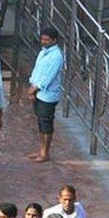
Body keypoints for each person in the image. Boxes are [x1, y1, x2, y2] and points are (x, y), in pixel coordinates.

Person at [27, 26, 65, 163]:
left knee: (46, 123)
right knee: (40, 122)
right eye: (42, 39)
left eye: (46, 40)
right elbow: (37, 70)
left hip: (47, 95)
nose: (43, 42)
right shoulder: (43, 52)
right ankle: (41, 149)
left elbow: (48, 76)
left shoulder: (56, 56)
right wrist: (32, 85)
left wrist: (35, 88)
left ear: (54, 40)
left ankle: (45, 152)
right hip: (38, 93)